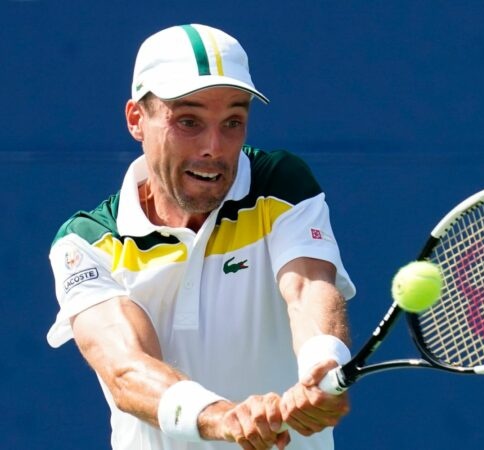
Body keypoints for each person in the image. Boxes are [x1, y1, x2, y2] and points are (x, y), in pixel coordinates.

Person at [47, 23, 356, 450]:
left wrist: (323, 367)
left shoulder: (279, 185)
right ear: (137, 119)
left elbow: (307, 290)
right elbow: (127, 369)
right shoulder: (86, 243)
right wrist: (225, 418)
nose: (214, 146)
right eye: (188, 121)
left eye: (233, 121)